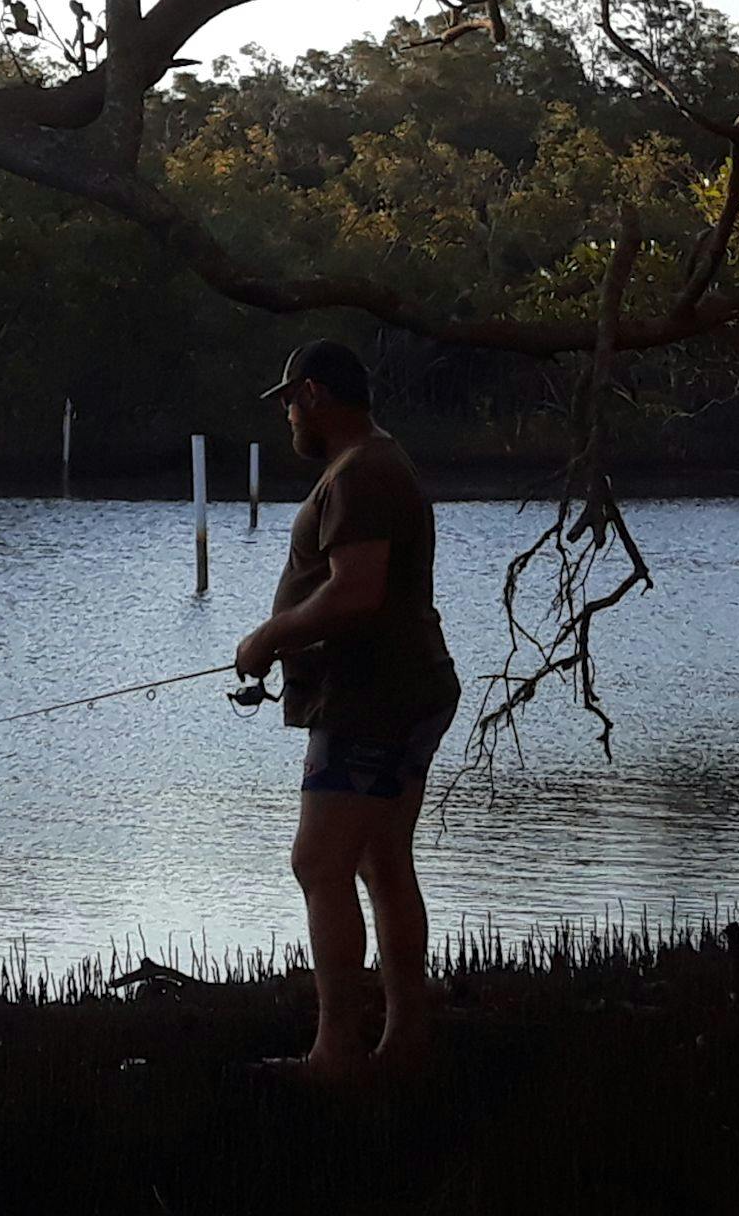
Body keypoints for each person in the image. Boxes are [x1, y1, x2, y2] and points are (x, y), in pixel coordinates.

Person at [232, 338, 459, 1081]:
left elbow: (356, 590)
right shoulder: (375, 462)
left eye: (290, 401)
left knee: (319, 861)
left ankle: (336, 1053)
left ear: (315, 394)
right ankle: (407, 1040)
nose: (288, 416)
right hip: (406, 687)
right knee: (381, 860)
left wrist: (270, 634)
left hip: (371, 699)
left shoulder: (362, 472)